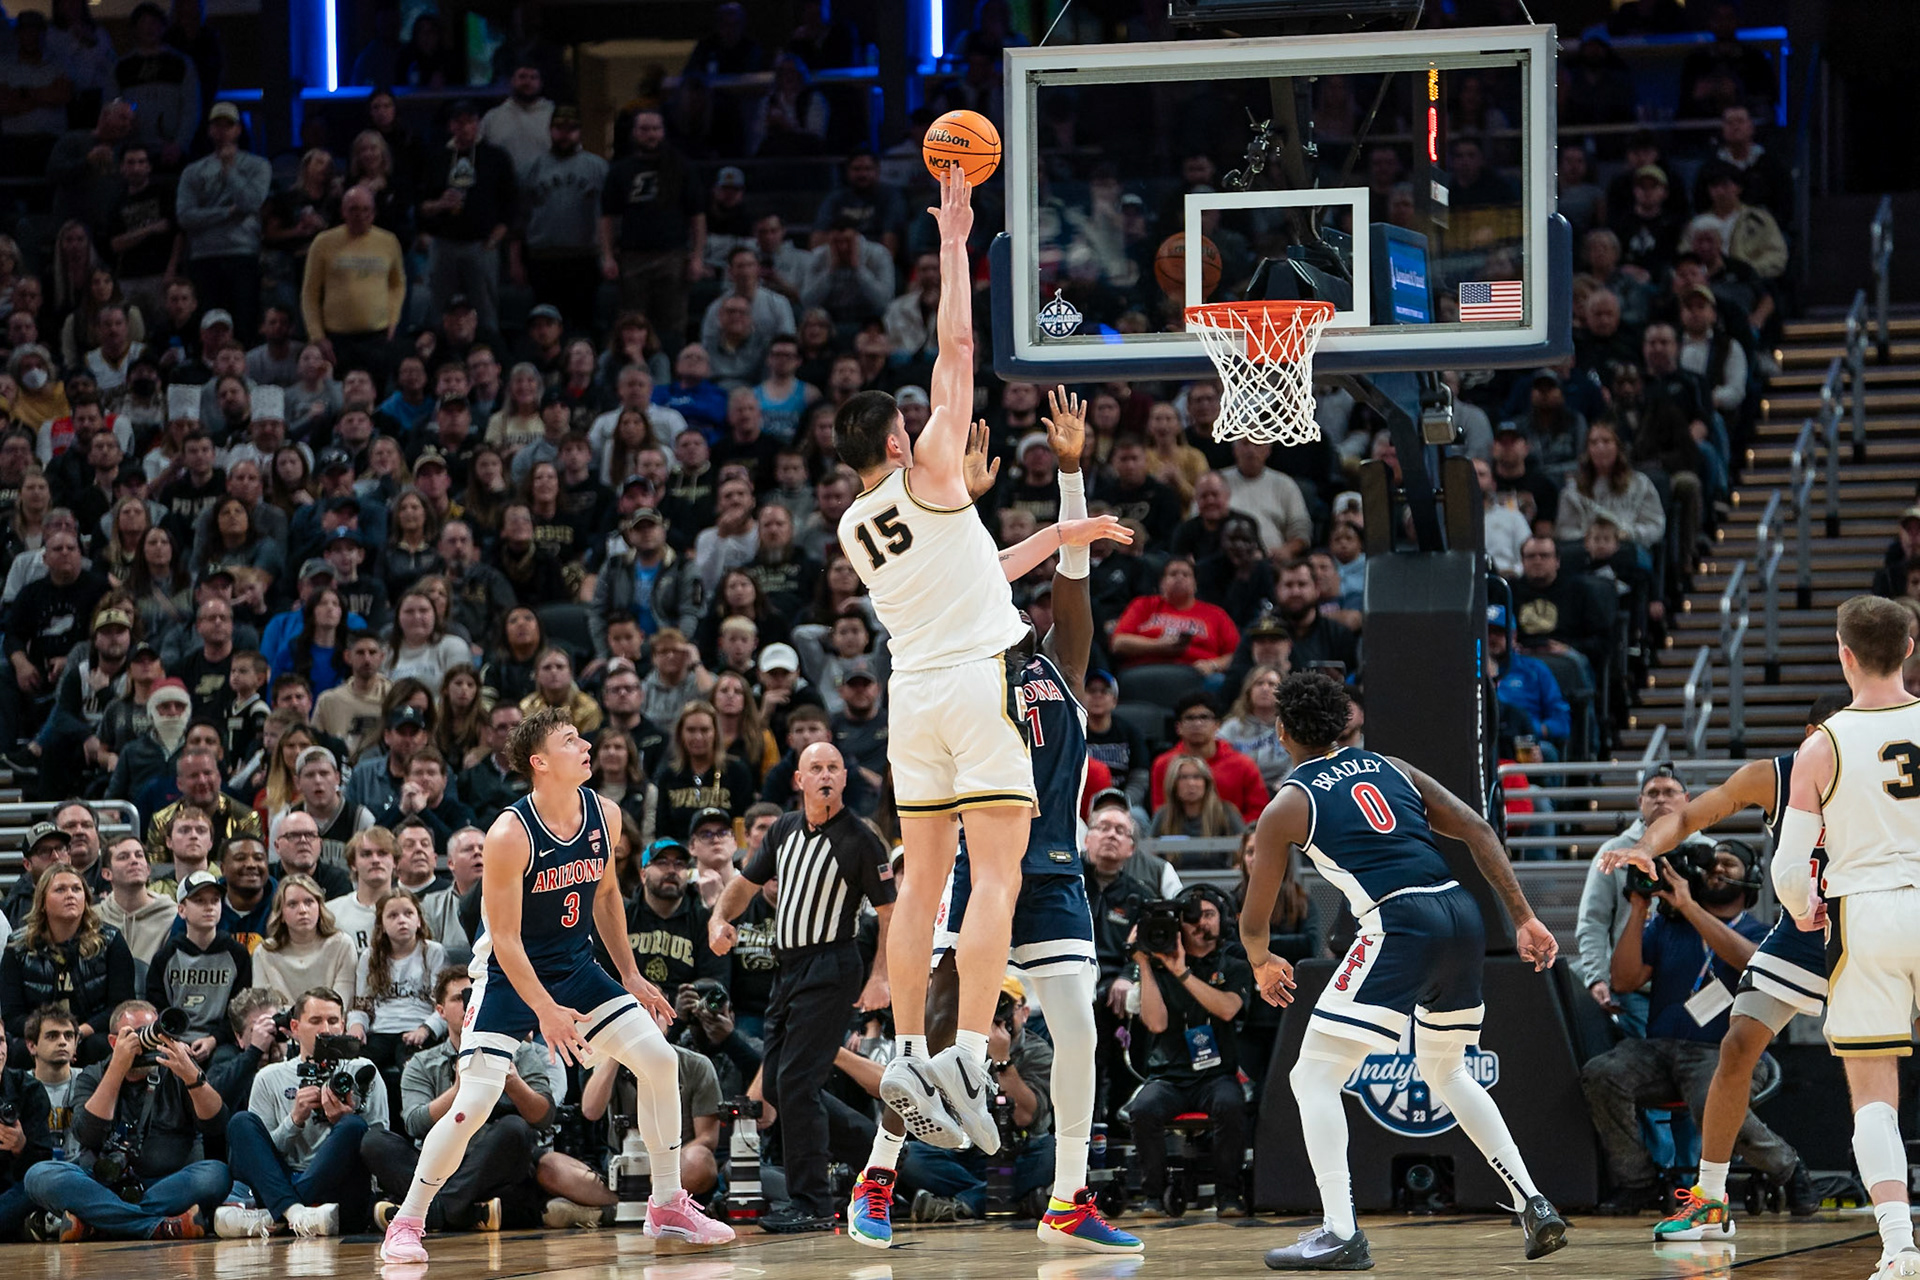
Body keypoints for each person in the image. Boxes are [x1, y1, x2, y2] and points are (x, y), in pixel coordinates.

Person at [835, 167, 1127, 1156]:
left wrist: (1062, 530)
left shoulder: (853, 522)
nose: (928, 428)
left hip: (910, 694)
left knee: (925, 878)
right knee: (992, 877)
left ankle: (910, 1047)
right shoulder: (927, 469)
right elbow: (957, 346)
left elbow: (979, 569)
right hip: (974, 681)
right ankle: (965, 1052)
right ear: (894, 435)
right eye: (912, 427)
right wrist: (957, 235)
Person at [378, 707, 733, 1262]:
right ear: (540, 762)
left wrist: (631, 974)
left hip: (576, 965)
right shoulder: (507, 835)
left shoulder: (606, 813)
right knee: (474, 1101)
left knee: (660, 1062)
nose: (586, 745)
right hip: (505, 976)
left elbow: (609, 897)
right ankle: (406, 1222)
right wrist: (544, 1010)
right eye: (572, 740)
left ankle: (667, 1205)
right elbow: (507, 941)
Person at [1241, 672, 1566, 1268]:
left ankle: (1341, 1231)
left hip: (1397, 919)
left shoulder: (1288, 803)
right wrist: (1523, 917)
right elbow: (1478, 828)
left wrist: (1261, 961)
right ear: (1345, 723)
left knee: (1311, 1078)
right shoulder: (1390, 766)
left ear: (1282, 731)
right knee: (1447, 1071)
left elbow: (1255, 918)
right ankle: (1533, 1201)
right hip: (1461, 913)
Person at [1763, 596, 1920, 1278]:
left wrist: (1802, 912)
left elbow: (1790, 868)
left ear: (1844, 655)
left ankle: (1900, 1247)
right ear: (1910, 648)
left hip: (1867, 915)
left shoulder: (1820, 744)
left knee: (1874, 1094)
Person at [709, 739, 893, 1230]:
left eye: (835, 766)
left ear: (844, 779)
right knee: (777, 1082)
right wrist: (718, 919)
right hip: (787, 968)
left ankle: (811, 1203)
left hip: (833, 966)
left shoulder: (862, 839)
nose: (826, 774)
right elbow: (745, 884)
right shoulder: (784, 830)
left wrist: (881, 977)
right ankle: (863, 1154)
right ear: (800, 779)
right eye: (817, 767)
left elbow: (891, 917)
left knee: (796, 1082)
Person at [1579, 840, 1800, 1216]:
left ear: (1753, 878)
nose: (1717, 869)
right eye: (1712, 864)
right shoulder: (1668, 926)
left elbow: (1751, 963)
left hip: (1725, 1056)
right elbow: (1624, 979)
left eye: (1728, 863)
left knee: (1709, 1098)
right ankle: (1639, 1183)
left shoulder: (1765, 932)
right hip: (1660, 1050)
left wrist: (1689, 907)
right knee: (1601, 1074)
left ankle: (1790, 1169)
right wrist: (1638, 910)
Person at [364, 965, 562, 1234]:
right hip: (435, 1162)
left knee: (515, 1129)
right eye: (459, 998)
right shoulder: (422, 1062)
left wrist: (514, 1084)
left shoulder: (520, 1052)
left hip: (490, 1163)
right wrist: (459, 1089)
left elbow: (544, 1117)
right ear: (441, 1011)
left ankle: (430, 1212)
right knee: (374, 1141)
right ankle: (462, 1211)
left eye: (475, 996)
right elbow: (414, 1123)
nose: (468, 1005)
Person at [21, 999, 227, 1241]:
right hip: (103, 1186)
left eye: (153, 1034)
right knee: (39, 1175)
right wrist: (118, 1069)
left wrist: (192, 1076)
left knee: (216, 1174)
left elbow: (216, 1124)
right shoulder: (94, 1074)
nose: (146, 1042)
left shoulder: (177, 1068)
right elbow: (87, 1134)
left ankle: (99, 1223)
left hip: (169, 1183)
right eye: (135, 1035)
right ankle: (159, 1225)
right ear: (113, 1042)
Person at [223, 986, 388, 1237]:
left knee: (353, 1126)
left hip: (340, 1190)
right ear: (295, 1027)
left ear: (343, 1025)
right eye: (315, 1021)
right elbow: (257, 1158)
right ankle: (297, 1214)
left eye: (333, 1021)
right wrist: (294, 1120)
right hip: (283, 1180)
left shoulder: (363, 1070)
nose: (326, 1029)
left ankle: (278, 1215)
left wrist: (344, 1120)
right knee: (241, 1122)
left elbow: (379, 1144)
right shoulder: (269, 1077)